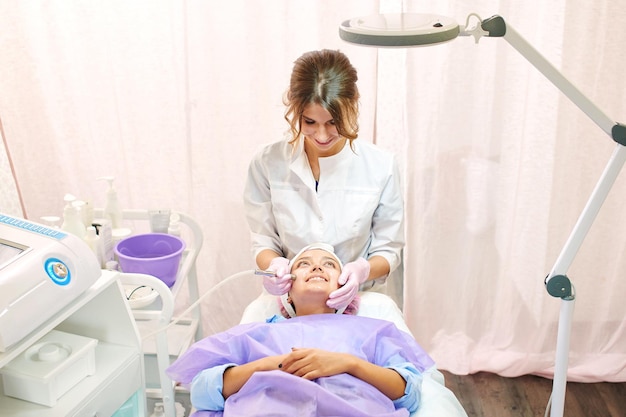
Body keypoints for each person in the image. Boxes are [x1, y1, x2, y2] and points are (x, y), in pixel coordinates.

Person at [166, 244, 433, 417]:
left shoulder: (371, 331)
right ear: (287, 292)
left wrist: (347, 364)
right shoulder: (257, 333)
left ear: (346, 288)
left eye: (329, 264)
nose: (317, 266)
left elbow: (408, 393)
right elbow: (202, 392)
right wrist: (274, 364)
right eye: (304, 263)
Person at [244, 49, 405, 312]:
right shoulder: (267, 163)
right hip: (293, 303)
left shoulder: (381, 166)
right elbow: (263, 241)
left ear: (353, 104)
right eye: (309, 121)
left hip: (359, 300)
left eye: (333, 122)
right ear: (294, 109)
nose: (321, 135)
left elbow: (388, 250)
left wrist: (362, 270)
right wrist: (274, 266)